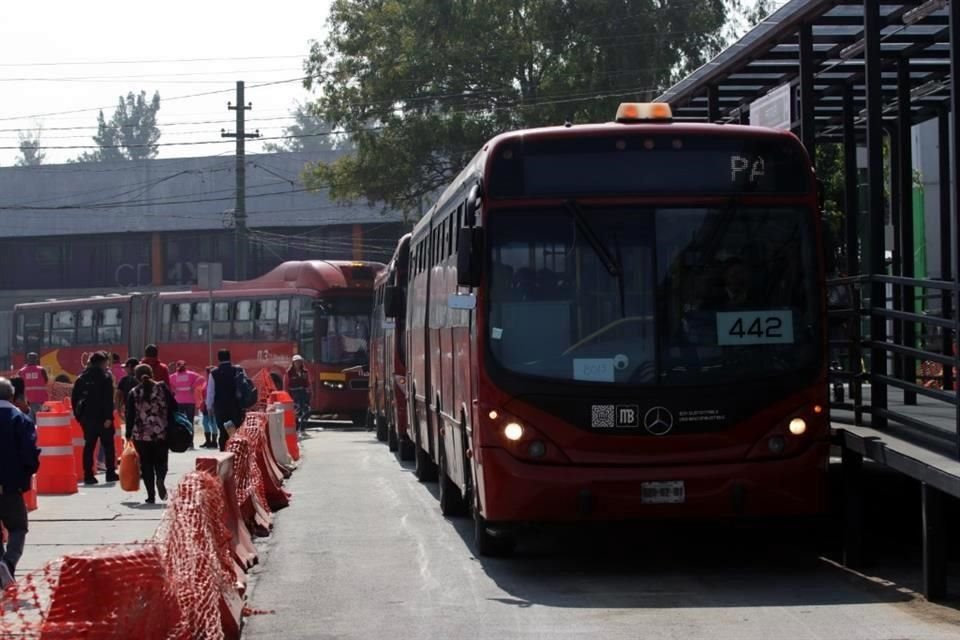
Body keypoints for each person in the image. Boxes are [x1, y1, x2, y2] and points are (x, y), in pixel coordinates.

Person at [0, 377, 41, 588]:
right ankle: (8, 562)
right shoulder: (20, 418)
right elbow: (29, 453)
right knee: (18, 527)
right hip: (9, 485)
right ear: (13, 396)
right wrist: (28, 473)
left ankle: (2, 568)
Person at [125, 364, 175, 504]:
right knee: (161, 461)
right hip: (161, 432)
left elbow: (130, 415)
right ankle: (160, 478)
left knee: (146, 465)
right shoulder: (162, 388)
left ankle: (151, 495)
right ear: (152, 374)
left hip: (141, 435)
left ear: (136, 377)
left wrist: (128, 433)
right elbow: (174, 406)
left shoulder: (134, 392)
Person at [71, 352, 118, 485]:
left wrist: (79, 417)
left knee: (89, 446)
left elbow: (74, 399)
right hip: (103, 418)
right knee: (108, 445)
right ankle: (110, 473)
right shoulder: (106, 377)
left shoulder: (81, 378)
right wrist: (109, 417)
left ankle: (88, 475)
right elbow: (108, 400)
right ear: (102, 363)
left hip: (87, 419)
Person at [205, 349, 247, 451]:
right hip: (235, 407)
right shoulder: (238, 370)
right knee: (234, 430)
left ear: (218, 359)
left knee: (223, 431)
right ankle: (236, 451)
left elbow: (210, 392)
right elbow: (245, 386)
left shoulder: (213, 373)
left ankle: (224, 451)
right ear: (230, 357)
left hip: (220, 408)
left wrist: (209, 407)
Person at [170, 361, 202, 449]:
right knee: (190, 422)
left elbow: (167, 382)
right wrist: (193, 386)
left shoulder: (173, 376)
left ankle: (181, 442)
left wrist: (174, 389)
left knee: (180, 422)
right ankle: (190, 443)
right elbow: (201, 378)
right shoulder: (191, 374)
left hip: (179, 401)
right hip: (190, 401)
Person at [17, 352, 49, 416]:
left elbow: (18, 385)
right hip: (41, 399)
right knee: (41, 418)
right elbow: (46, 381)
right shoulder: (41, 370)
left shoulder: (21, 371)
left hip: (27, 400)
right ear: (36, 359)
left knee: (31, 418)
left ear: (27, 359)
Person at [284, 355, 311, 432]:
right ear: (293, 363)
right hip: (294, 394)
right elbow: (286, 384)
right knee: (296, 412)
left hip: (303, 394)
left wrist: (309, 393)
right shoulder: (289, 373)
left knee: (307, 411)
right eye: (296, 362)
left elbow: (308, 383)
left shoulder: (305, 372)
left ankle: (302, 427)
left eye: (299, 362)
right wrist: (287, 395)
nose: (298, 363)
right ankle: (296, 427)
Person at [199, 366, 218, 448]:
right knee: (205, 422)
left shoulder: (214, 382)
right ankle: (208, 441)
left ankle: (214, 441)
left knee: (213, 423)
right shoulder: (205, 382)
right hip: (205, 405)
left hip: (212, 405)